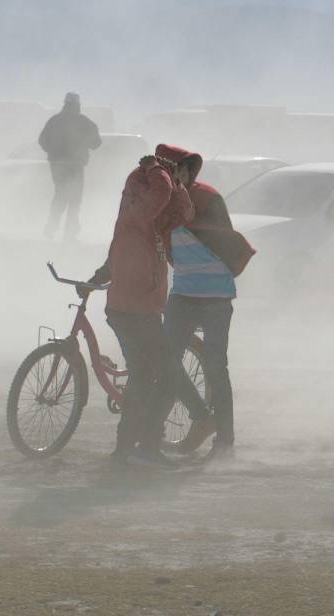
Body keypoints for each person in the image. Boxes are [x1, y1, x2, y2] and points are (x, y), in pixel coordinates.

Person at [83, 145, 193, 468]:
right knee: (162, 378)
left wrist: (176, 181)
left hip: (140, 309)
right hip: (134, 311)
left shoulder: (149, 223)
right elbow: (159, 199)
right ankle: (142, 447)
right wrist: (158, 171)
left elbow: (184, 211)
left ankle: (129, 449)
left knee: (145, 376)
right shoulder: (139, 213)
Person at [153, 144, 256, 461]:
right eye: (171, 170)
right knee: (166, 363)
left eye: (180, 170)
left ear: (186, 170)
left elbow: (223, 240)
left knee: (215, 367)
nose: (176, 176)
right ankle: (195, 418)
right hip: (183, 291)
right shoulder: (160, 201)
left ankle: (224, 440)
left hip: (215, 294)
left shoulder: (207, 197)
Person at [38, 92, 102, 240]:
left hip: (57, 165)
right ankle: (70, 232)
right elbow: (97, 143)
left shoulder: (54, 121)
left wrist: (53, 153)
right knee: (75, 199)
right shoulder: (84, 122)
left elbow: (42, 140)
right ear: (78, 105)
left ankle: (51, 227)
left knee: (60, 195)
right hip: (76, 165)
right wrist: (84, 145)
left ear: (65, 104)